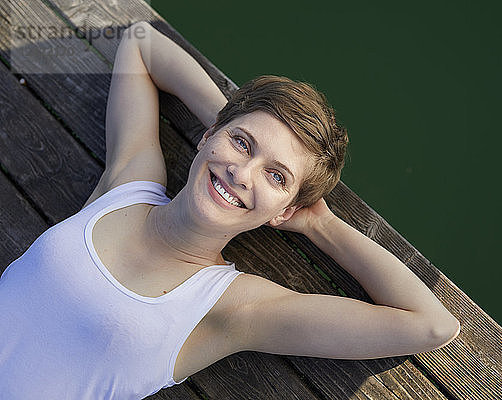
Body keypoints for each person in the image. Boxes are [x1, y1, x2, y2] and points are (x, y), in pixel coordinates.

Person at [0, 21, 460, 399]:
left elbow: (432, 326)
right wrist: (231, 123)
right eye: (243, 144)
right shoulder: (127, 183)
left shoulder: (232, 308)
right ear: (209, 134)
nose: (243, 174)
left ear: (285, 210)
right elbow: (141, 42)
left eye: (276, 176)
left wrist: (319, 222)